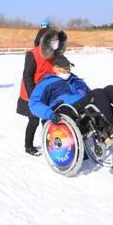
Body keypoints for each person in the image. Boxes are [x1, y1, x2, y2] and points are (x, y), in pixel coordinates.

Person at [29, 55, 113, 145]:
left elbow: (91, 96)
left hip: (84, 106)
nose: (67, 70)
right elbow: (34, 103)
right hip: (66, 110)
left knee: (110, 89)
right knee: (98, 92)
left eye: (68, 67)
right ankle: (107, 130)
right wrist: (49, 113)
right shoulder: (46, 83)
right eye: (64, 68)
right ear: (55, 68)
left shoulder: (77, 80)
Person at [16, 22, 68, 156]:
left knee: (49, 119)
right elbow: (27, 76)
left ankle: (50, 144)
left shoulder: (54, 54)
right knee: (33, 120)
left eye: (57, 40)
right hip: (31, 93)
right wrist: (34, 96)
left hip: (47, 92)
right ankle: (28, 146)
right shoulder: (32, 54)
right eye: (53, 39)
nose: (55, 42)